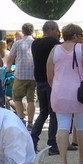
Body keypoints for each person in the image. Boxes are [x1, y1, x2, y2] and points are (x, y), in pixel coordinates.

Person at [47, 23, 83, 164]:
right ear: (75, 36)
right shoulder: (81, 48)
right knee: (81, 125)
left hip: (59, 92)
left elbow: (49, 75)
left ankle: (63, 163)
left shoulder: (55, 50)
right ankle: (82, 161)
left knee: (62, 126)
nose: (82, 38)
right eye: (80, 35)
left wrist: (57, 85)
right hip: (80, 93)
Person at [30, 21, 61, 155]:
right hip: (51, 81)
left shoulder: (35, 43)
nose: (58, 33)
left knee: (43, 113)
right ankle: (52, 144)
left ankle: (33, 139)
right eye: (57, 30)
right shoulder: (55, 44)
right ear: (52, 30)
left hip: (39, 80)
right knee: (53, 113)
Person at [7, 23, 36, 129]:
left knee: (17, 98)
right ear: (32, 31)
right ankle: (31, 122)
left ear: (22, 31)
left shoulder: (18, 43)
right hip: (33, 75)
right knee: (31, 99)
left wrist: (9, 69)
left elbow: (10, 58)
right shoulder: (36, 42)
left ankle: (21, 119)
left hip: (20, 75)